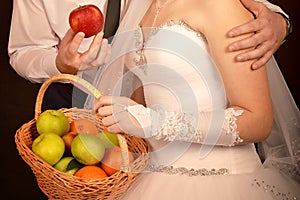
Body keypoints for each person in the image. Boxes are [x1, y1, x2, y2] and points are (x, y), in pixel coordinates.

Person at [89, 0, 300, 199]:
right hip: (151, 178)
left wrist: (153, 121)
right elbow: (147, 98)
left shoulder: (220, 5)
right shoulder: (139, 8)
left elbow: (258, 121)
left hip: (221, 180)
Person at [8, 0, 291, 110]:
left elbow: (230, 5)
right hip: (71, 98)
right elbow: (22, 51)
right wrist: (59, 63)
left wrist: (279, 21)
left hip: (152, 96)